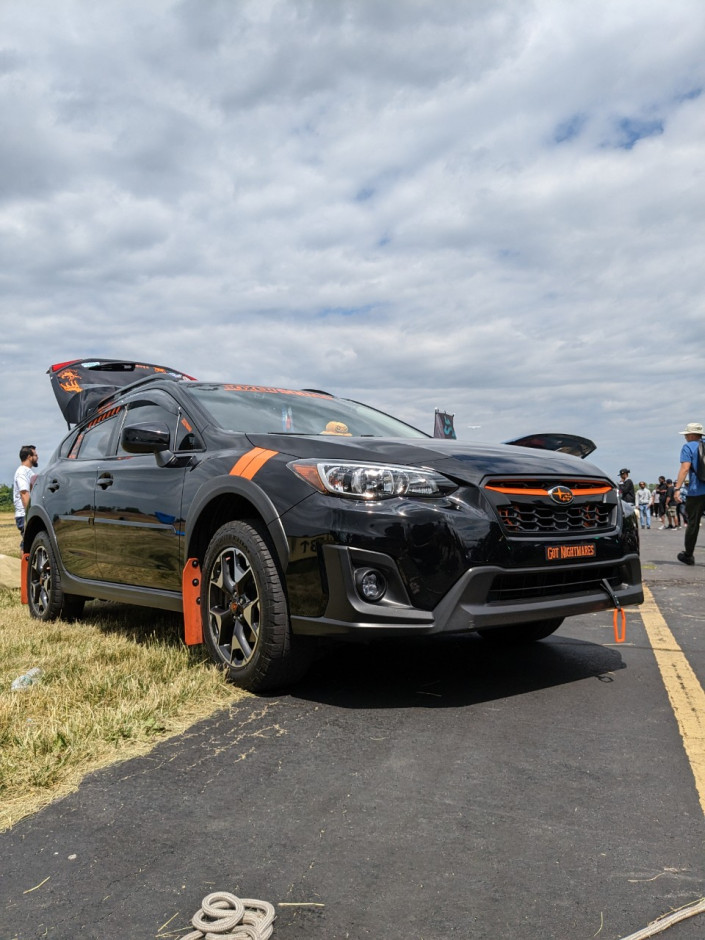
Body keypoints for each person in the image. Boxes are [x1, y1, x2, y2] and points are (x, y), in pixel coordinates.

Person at [674, 422, 705, 565]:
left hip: (696, 491)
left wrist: (677, 488)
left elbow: (685, 468)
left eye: (686, 434)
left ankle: (688, 555)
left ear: (692, 435)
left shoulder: (688, 447)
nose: (685, 436)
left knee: (693, 523)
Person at [13, 445, 38, 550]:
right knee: (28, 545)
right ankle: (25, 567)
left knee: (29, 544)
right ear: (29, 457)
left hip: (27, 514)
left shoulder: (28, 471)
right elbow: (24, 494)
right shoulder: (22, 472)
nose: (37, 457)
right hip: (25, 515)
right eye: (35, 455)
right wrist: (30, 514)